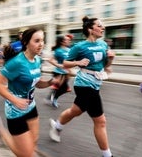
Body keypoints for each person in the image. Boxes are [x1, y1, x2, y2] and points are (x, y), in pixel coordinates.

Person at [0, 28, 60, 157]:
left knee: (34, 144)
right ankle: (1, 130)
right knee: (26, 154)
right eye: (37, 41)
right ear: (26, 42)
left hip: (31, 107)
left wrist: (50, 82)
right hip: (15, 111)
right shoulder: (16, 63)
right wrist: (15, 100)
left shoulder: (37, 61)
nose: (41, 44)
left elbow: (37, 82)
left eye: (42, 40)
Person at [49, 16, 115, 157]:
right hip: (84, 84)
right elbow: (66, 63)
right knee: (101, 121)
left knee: (75, 111)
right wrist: (78, 63)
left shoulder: (103, 45)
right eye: (99, 25)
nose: (103, 28)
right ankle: (108, 155)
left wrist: (110, 59)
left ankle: (57, 126)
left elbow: (104, 66)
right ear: (90, 29)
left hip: (96, 83)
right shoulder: (79, 47)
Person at [44, 34, 72, 108]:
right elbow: (50, 59)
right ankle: (54, 99)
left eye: (69, 40)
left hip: (66, 72)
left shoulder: (69, 50)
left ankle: (49, 98)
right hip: (58, 72)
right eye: (66, 40)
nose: (68, 41)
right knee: (64, 88)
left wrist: (70, 68)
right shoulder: (57, 50)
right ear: (62, 42)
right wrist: (58, 65)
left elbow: (71, 60)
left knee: (58, 87)